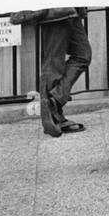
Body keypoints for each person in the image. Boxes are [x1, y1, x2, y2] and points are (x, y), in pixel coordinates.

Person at [32, 8, 92, 137]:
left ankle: (55, 100)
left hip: (71, 9)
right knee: (53, 63)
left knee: (83, 55)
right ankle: (54, 117)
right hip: (54, 11)